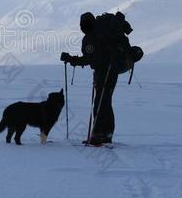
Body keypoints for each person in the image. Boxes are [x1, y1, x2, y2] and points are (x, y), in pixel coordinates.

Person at [61, 12, 142, 145]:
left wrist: (71, 59)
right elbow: (90, 58)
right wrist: (71, 59)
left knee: (101, 102)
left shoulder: (92, 37)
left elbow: (88, 59)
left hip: (107, 70)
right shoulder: (96, 35)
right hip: (111, 69)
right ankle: (106, 134)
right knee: (105, 101)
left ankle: (98, 135)